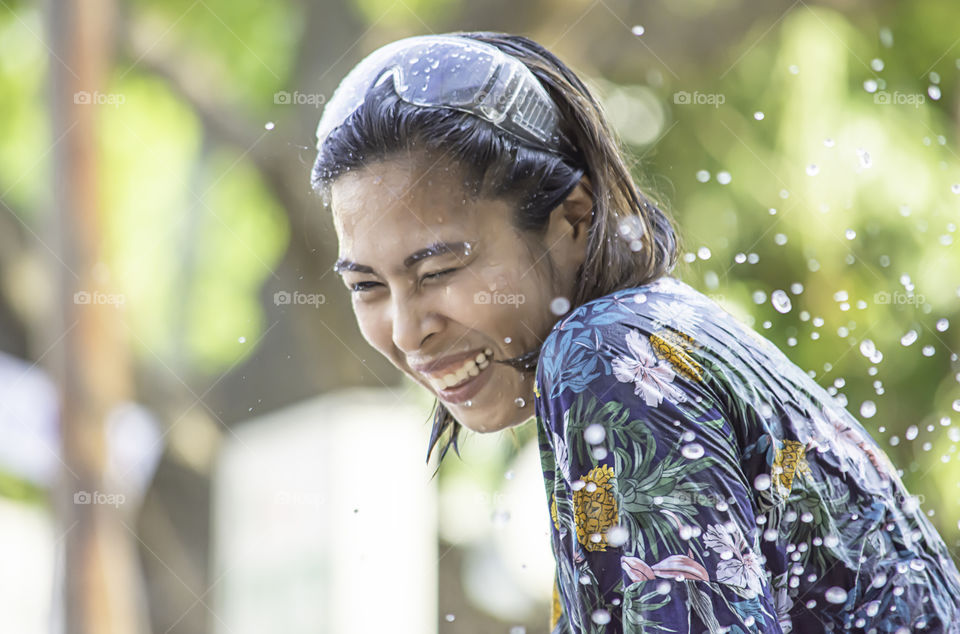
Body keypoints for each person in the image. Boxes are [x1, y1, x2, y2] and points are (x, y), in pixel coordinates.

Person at [310, 31, 960, 633]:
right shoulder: (665, 334)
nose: (407, 331)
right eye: (366, 286)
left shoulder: (608, 351)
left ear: (573, 218)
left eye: (440, 269)